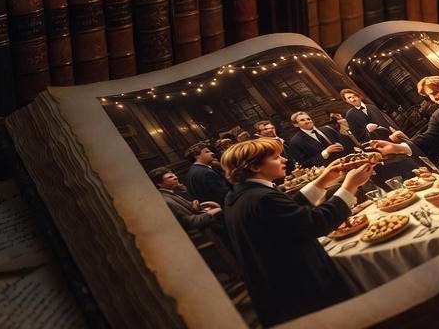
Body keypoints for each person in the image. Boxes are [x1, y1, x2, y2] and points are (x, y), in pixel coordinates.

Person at [221, 138, 375, 325]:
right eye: (276, 157)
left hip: (275, 285)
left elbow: (289, 215)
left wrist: (323, 180)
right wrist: (349, 187)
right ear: (254, 167)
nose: (284, 160)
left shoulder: (241, 195)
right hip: (299, 284)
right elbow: (315, 223)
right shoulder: (262, 198)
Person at [150, 167, 221, 234]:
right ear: (159, 184)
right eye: (170, 177)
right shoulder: (167, 200)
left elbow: (191, 208)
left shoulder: (171, 193)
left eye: (174, 175)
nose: (176, 177)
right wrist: (212, 212)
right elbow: (189, 222)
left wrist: (201, 207)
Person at [286, 111, 356, 168]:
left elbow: (345, 143)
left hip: (348, 163)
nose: (307, 121)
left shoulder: (328, 129)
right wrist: (325, 152)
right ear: (296, 124)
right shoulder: (295, 141)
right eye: (302, 120)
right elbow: (304, 163)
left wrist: (342, 145)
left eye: (308, 119)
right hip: (328, 171)